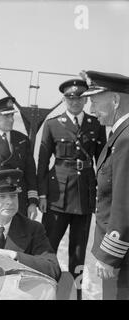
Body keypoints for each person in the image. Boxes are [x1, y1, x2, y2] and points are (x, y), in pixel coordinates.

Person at [37, 78, 106, 299]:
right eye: (70, 98)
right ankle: (43, 289)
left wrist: (100, 195)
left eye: (79, 98)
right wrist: (42, 194)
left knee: (78, 253)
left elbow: (103, 162)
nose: (75, 102)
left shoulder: (95, 125)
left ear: (85, 101)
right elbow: (42, 164)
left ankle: (75, 294)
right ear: (65, 100)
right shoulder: (52, 124)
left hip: (84, 196)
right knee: (48, 248)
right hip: (56, 196)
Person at [80, 70, 129, 300]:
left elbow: (124, 201)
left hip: (122, 256)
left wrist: (109, 254)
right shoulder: (119, 135)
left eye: (94, 102)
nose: (90, 110)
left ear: (116, 100)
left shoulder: (126, 138)